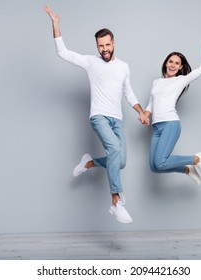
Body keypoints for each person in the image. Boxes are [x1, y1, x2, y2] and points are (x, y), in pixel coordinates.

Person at [44, 5, 148, 224]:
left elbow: (128, 93)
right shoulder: (91, 62)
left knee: (120, 161)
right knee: (114, 149)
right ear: (97, 47)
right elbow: (63, 52)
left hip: (117, 119)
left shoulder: (124, 67)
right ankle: (116, 202)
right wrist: (55, 25)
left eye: (107, 44)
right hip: (99, 116)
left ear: (114, 43)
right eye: (101, 46)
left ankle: (89, 162)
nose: (104, 49)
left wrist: (141, 112)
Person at [144, 42, 201, 186]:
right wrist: (145, 115)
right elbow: (150, 105)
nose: (172, 65)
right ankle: (187, 169)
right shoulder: (156, 82)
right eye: (170, 61)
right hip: (157, 128)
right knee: (154, 167)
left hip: (170, 124)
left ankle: (196, 159)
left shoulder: (181, 80)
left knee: (160, 162)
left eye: (177, 63)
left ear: (180, 67)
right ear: (166, 63)